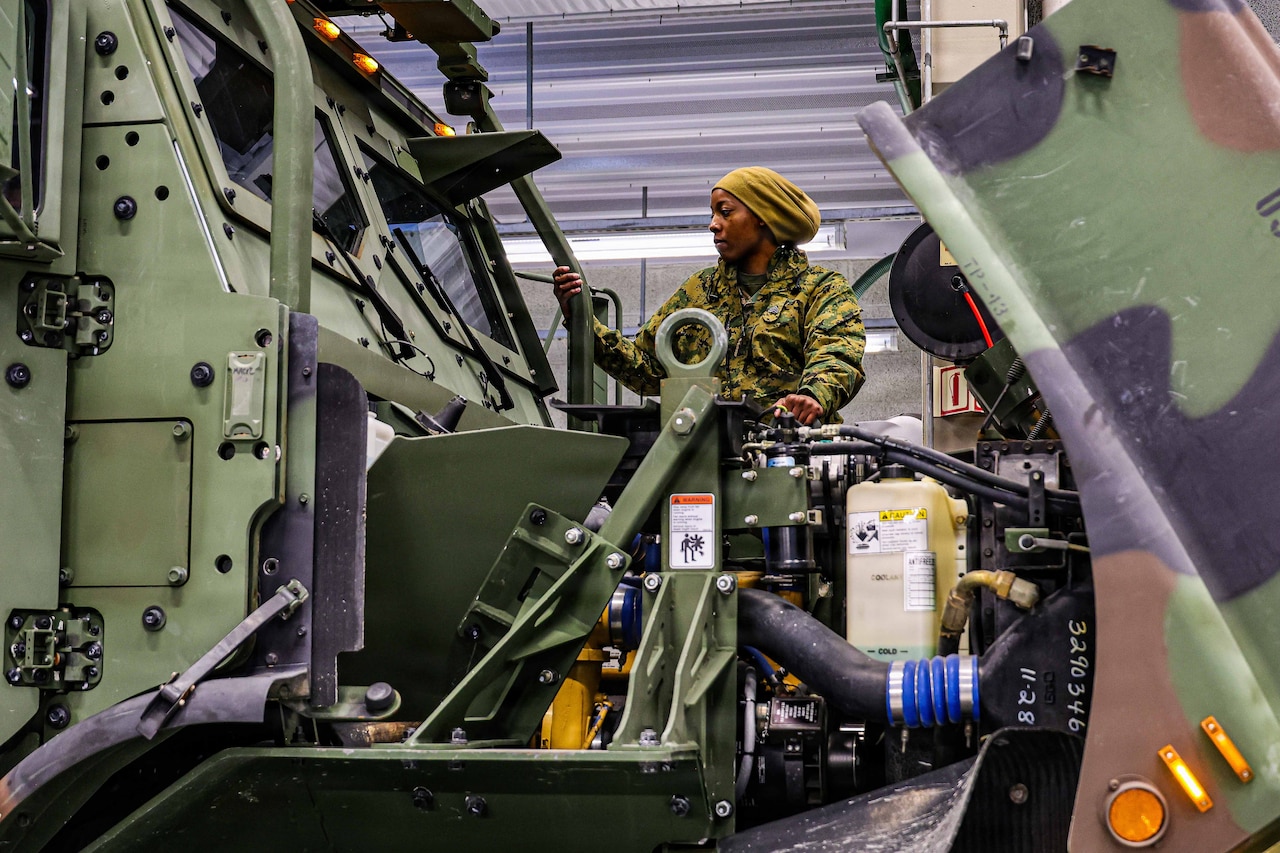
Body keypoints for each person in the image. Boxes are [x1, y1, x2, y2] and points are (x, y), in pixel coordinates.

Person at [552, 166, 865, 425]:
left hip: (790, 455)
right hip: (707, 459)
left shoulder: (820, 289)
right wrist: (581, 321)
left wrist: (812, 395)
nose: (713, 224)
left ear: (762, 216)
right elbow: (648, 370)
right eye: (714, 213)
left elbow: (837, 354)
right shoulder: (699, 291)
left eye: (726, 212)